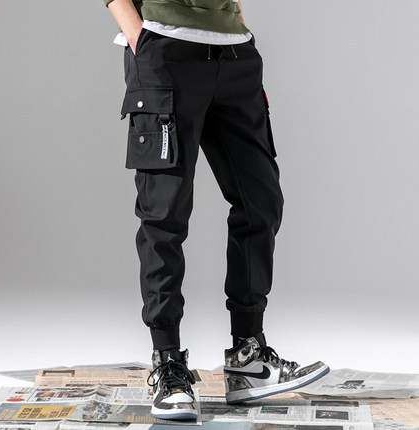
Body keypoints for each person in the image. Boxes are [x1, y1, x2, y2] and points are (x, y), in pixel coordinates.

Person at [104, 0, 330, 420]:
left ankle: (248, 357)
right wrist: (139, 35)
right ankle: (168, 362)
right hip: (165, 49)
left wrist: (235, 17)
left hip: (235, 54)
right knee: (164, 214)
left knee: (260, 202)